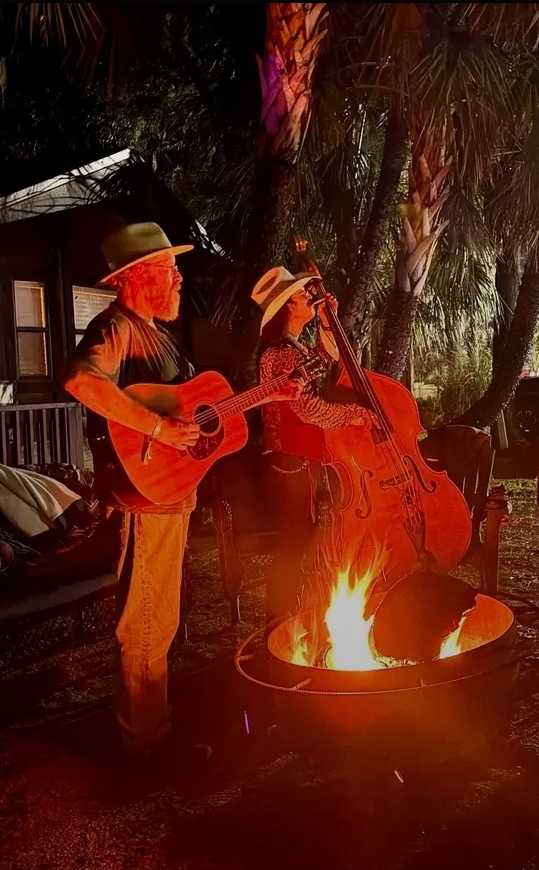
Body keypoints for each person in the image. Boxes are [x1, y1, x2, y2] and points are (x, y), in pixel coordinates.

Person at [64, 223, 301, 759]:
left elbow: (201, 410)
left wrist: (269, 395)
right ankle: (145, 743)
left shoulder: (158, 334)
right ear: (136, 277)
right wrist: (158, 428)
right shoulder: (116, 327)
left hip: (170, 492)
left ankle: (154, 724)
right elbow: (80, 381)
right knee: (146, 620)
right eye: (168, 269)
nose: (178, 278)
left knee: (160, 617)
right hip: (145, 496)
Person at [249, 266, 374, 622]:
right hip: (292, 459)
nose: (310, 298)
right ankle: (281, 621)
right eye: (304, 296)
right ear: (289, 306)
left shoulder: (289, 349)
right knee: (294, 542)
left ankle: (285, 619)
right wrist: (354, 414)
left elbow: (325, 359)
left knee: (296, 541)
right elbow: (308, 409)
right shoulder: (282, 354)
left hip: (293, 458)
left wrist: (326, 321)